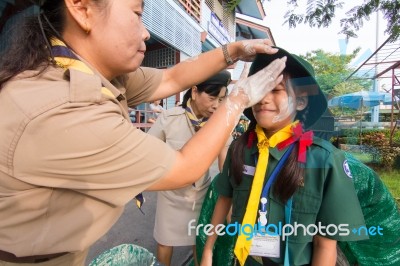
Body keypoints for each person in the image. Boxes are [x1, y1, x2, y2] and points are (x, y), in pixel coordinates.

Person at [0, 0, 287, 265]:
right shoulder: (65, 109)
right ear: (81, 8)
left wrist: (234, 51)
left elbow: (172, 78)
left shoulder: (88, 72)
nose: (146, 32)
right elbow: (184, 167)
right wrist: (236, 100)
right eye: (137, 14)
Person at [200, 48, 368, 266]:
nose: (263, 99)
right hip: (247, 260)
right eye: (260, 90)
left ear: (300, 102)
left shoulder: (324, 160)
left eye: (276, 90)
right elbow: (224, 198)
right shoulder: (241, 149)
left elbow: (325, 245)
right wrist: (208, 250)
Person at [148, 70, 232, 266]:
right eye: (212, 98)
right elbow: (149, 150)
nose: (216, 106)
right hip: (171, 194)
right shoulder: (169, 118)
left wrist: (229, 196)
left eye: (221, 100)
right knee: (164, 241)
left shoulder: (220, 123)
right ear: (194, 92)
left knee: (199, 241)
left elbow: (224, 163)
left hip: (203, 195)